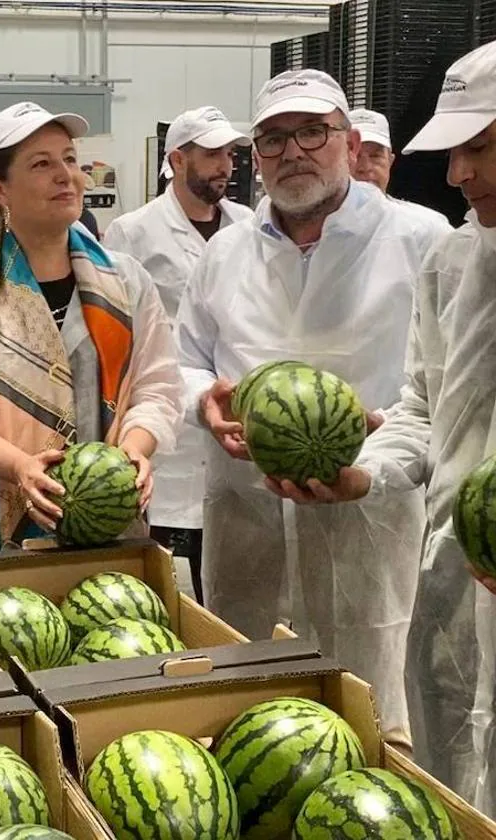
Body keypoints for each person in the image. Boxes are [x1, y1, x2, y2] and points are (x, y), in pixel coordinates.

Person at [176, 69, 451, 748]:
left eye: (311, 132)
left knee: (367, 712)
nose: (292, 151)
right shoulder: (225, 250)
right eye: (271, 139)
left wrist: (378, 456)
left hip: (370, 517)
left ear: (351, 143)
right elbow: (181, 362)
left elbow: (443, 394)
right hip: (245, 518)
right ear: (255, 157)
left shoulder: (422, 240)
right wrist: (201, 401)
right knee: (248, 713)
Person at [268, 40, 495, 815]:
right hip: (456, 579)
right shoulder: (457, 261)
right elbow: (426, 409)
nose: (460, 174)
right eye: (455, 152)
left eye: (482, 147)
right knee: (451, 766)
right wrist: (363, 474)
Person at [0, 101, 184, 557]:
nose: (66, 175)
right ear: (0, 188)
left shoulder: (126, 280)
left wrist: (134, 451)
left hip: (106, 523)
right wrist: (19, 467)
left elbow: (159, 386)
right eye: (41, 164)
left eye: (70, 159)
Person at [103, 106, 253, 602]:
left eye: (229, 154)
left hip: (233, 409)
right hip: (167, 415)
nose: (225, 166)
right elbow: (118, 331)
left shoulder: (248, 226)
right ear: (176, 159)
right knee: (162, 567)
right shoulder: (133, 231)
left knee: (230, 559)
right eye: (210, 154)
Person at [349, 107, 453, 229]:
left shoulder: (427, 228)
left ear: (390, 161)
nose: (365, 167)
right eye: (355, 155)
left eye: (375, 156)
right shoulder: (322, 229)